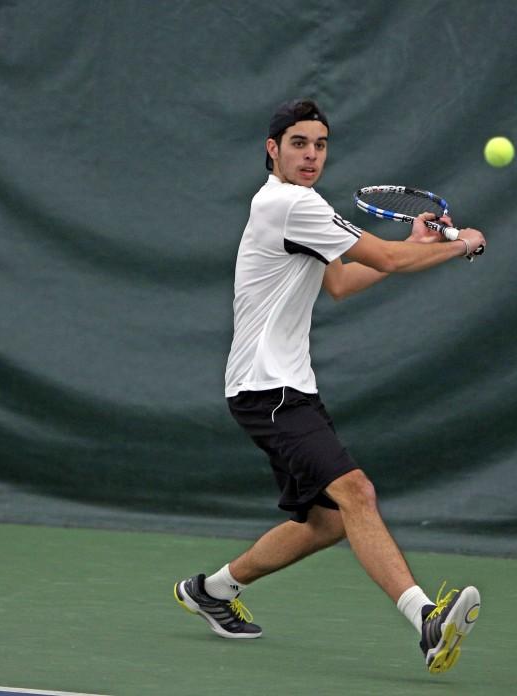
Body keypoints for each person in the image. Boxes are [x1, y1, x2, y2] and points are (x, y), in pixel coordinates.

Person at [174, 98, 486, 675]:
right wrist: (456, 244)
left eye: (319, 144)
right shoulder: (290, 204)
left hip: (286, 387)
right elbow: (388, 260)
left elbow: (341, 281)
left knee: (326, 521)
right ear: (273, 150)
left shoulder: (298, 207)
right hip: (267, 390)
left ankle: (210, 590)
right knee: (357, 492)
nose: (311, 154)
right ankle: (427, 622)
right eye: (298, 143)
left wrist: (420, 246)